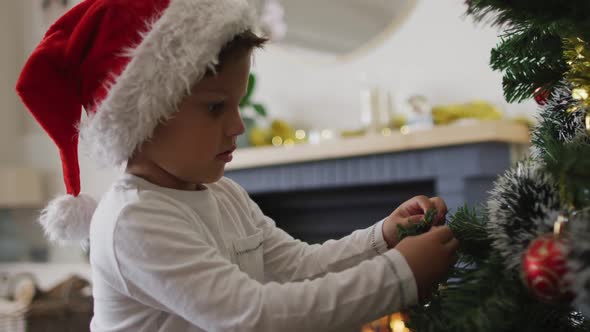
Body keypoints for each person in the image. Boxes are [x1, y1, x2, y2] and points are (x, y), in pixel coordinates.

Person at [16, 0, 459, 331]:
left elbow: (298, 265)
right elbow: (252, 316)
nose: (238, 125)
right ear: (144, 117)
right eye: (215, 108)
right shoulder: (134, 220)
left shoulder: (224, 195)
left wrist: (382, 238)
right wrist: (399, 276)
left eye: (238, 103)